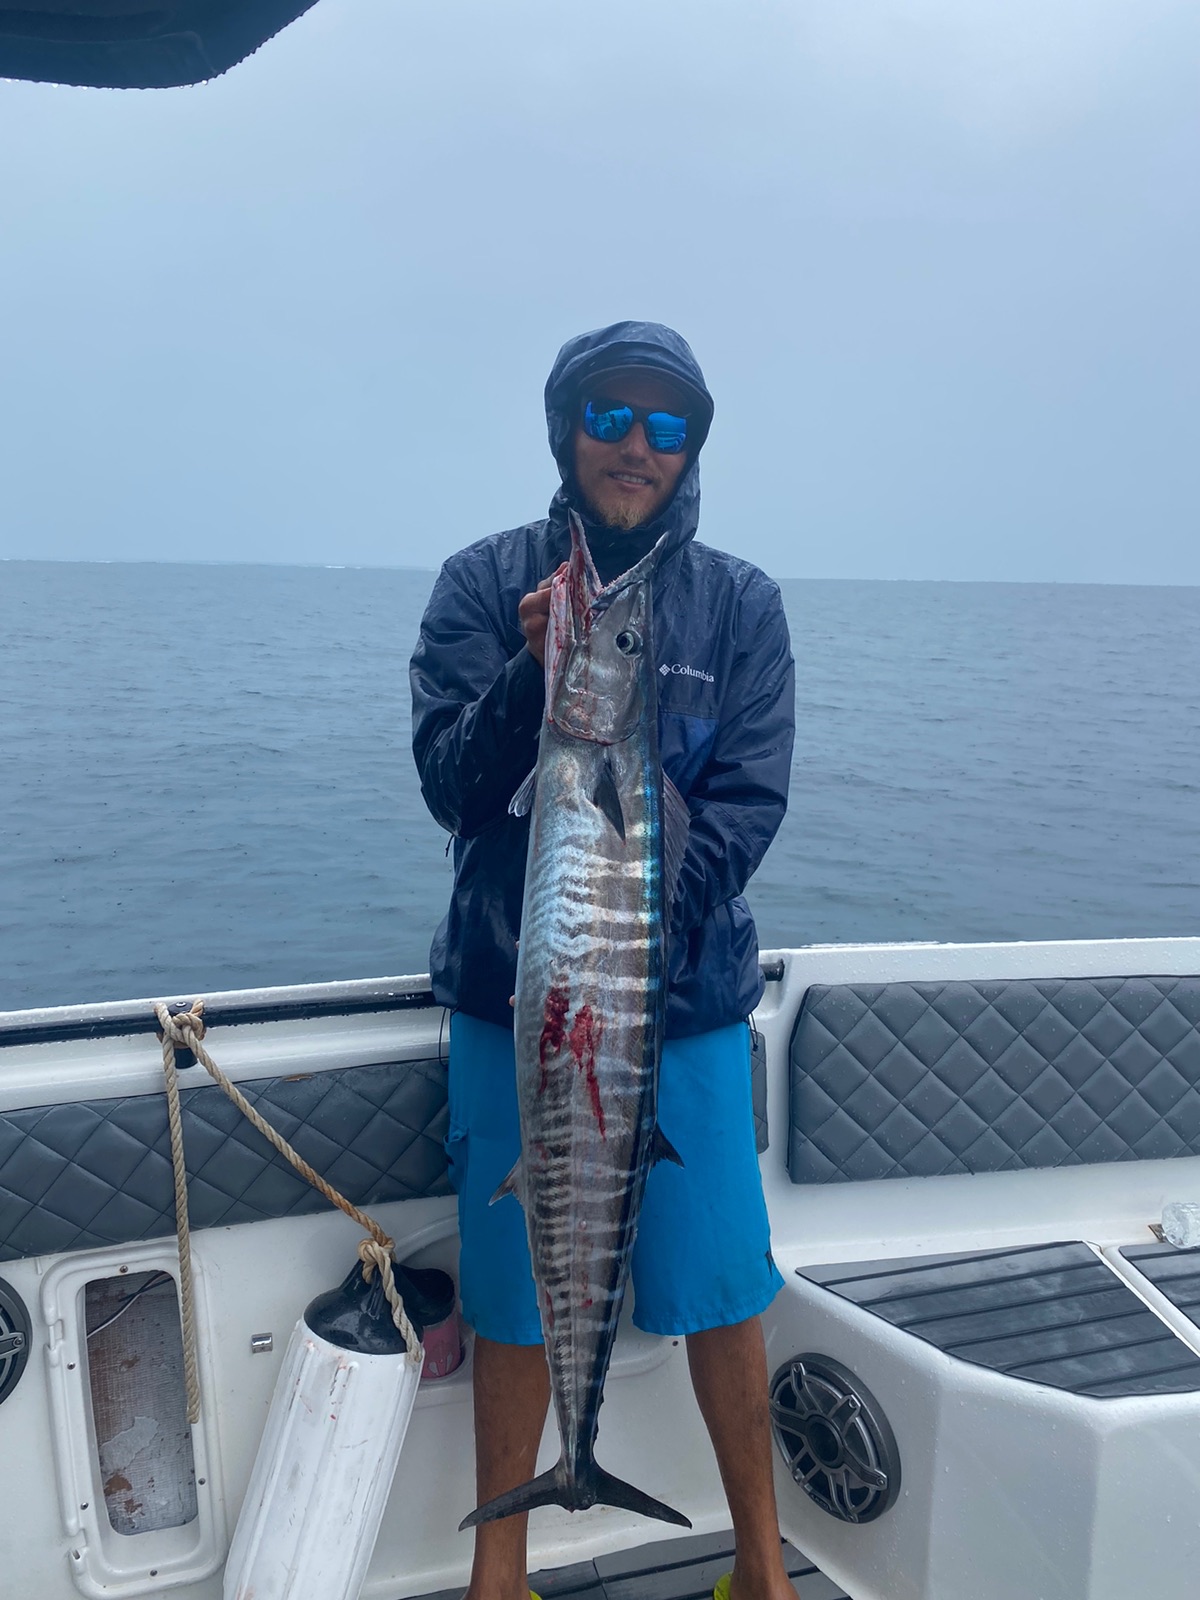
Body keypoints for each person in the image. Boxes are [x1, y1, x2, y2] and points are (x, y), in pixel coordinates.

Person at [410, 321, 796, 1600]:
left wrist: (635, 924)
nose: (638, 446)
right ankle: (500, 1572)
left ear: (692, 449)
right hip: (514, 1005)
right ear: (566, 428)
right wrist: (532, 678)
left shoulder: (741, 605)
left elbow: (748, 808)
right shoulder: (484, 583)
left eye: (667, 425)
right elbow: (451, 787)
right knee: (516, 1286)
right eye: (611, 417)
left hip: (682, 1009)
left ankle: (761, 1569)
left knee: (723, 1281)